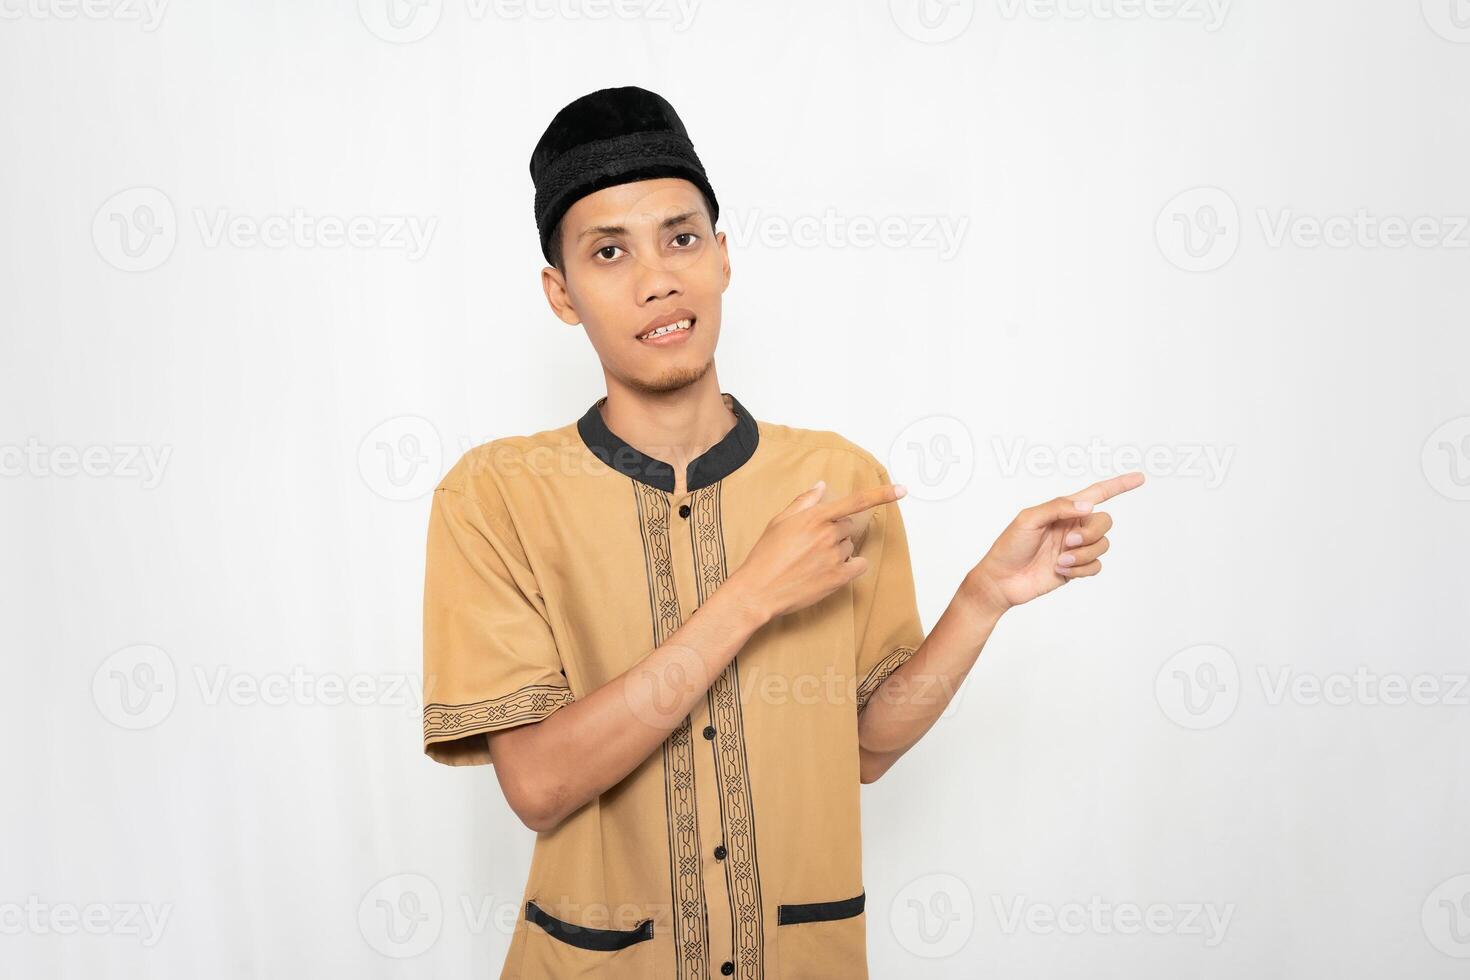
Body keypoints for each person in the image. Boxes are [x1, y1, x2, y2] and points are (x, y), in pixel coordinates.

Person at [421, 84, 1144, 980]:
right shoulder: (495, 497)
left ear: (723, 258)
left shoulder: (837, 480)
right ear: (561, 294)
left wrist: (983, 599)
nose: (657, 279)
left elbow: (869, 746)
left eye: (681, 238)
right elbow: (538, 784)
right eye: (609, 252)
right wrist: (751, 595)